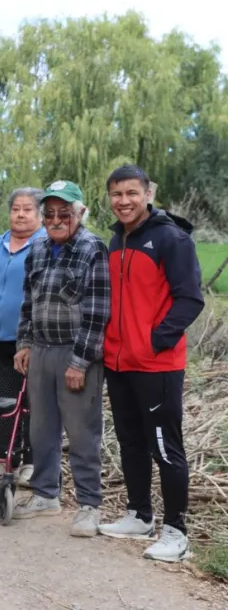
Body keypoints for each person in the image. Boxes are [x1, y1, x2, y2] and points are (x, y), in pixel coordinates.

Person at [97, 165, 204, 561]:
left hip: (156, 366)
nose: (123, 201)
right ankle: (140, 515)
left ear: (147, 194)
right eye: (116, 194)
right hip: (119, 363)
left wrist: (156, 340)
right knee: (130, 442)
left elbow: (190, 298)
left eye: (131, 193)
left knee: (165, 447)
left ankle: (177, 532)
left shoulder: (170, 239)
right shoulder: (115, 241)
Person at [13, 180, 110, 537]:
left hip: (75, 352)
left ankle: (89, 505)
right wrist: (24, 344)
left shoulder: (93, 248)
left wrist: (80, 363)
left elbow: (98, 314)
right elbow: (28, 303)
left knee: (83, 432)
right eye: (50, 212)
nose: (56, 219)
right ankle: (45, 494)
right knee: (41, 428)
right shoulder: (37, 248)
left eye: (64, 212)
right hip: (41, 350)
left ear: (79, 212)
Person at [0, 187, 46, 485]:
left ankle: (31, 461)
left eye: (27, 209)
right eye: (15, 208)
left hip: (30, 341)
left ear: (40, 215)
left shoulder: (45, 245)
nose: (20, 214)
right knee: (1, 402)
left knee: (30, 402)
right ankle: (6, 458)